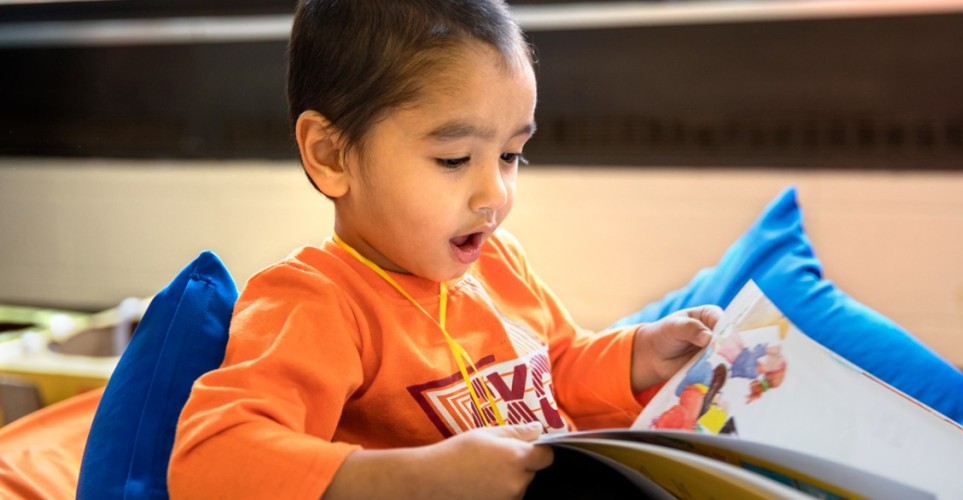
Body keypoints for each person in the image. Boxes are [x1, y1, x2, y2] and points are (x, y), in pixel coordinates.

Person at [168, 1, 721, 498]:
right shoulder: (316, 301)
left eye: (511, 155)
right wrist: (418, 477)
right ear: (330, 155)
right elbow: (210, 459)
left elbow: (559, 365)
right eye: (455, 159)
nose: (495, 196)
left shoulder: (500, 263)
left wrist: (642, 355)